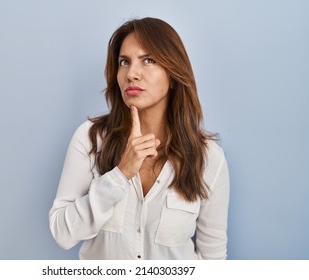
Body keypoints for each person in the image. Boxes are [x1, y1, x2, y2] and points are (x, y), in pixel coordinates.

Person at [49, 17, 230, 260]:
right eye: (124, 62)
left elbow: (213, 258)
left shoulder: (209, 158)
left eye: (148, 60)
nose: (131, 74)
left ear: (174, 73)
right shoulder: (91, 139)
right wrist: (119, 175)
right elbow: (62, 232)